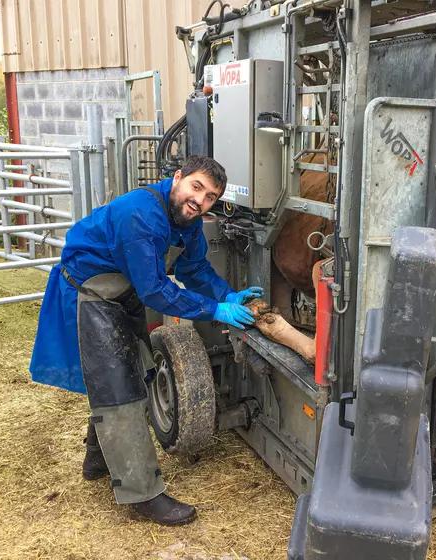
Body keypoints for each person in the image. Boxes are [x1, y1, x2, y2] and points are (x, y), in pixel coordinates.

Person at [29, 155, 263, 526]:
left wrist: (226, 296)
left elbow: (195, 267)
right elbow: (155, 290)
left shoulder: (185, 220)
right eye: (196, 187)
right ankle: (143, 495)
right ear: (177, 178)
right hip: (92, 295)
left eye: (210, 198)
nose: (200, 201)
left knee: (137, 374)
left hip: (125, 294)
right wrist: (215, 311)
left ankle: (97, 459)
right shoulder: (141, 215)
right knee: (119, 390)